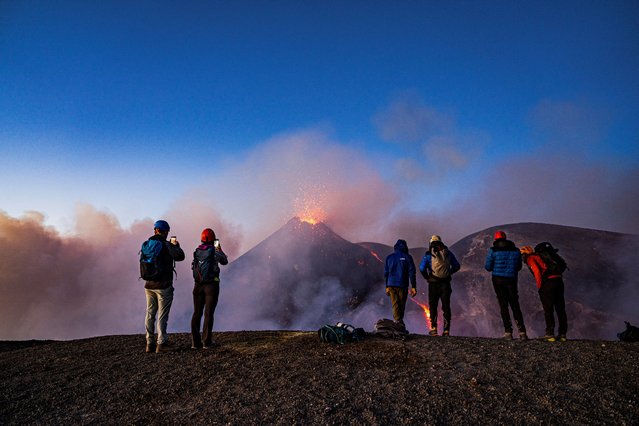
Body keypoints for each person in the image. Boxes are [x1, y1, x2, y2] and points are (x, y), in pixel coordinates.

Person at [142, 220, 185, 353]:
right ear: (165, 231)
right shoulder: (166, 245)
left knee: (150, 313)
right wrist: (176, 246)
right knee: (162, 315)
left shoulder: (146, 244)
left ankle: (149, 343)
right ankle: (162, 343)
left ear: (155, 230)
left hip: (148, 285)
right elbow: (180, 256)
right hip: (163, 286)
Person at [484, 230, 528, 340]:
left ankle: (508, 332)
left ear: (496, 239)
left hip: (498, 280)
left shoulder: (493, 250)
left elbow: (488, 267)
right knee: (515, 305)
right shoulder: (516, 251)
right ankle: (522, 332)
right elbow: (518, 267)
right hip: (512, 280)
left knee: (503, 305)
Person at [520, 244, 568, 342]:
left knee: (548, 309)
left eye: (522, 255)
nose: (522, 257)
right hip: (558, 281)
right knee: (560, 308)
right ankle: (562, 334)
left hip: (548, 284)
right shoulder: (542, 257)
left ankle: (550, 334)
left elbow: (537, 272)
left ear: (525, 254)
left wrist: (540, 286)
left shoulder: (531, 258)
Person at [191, 228, 228, 349]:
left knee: (197, 313)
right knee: (208, 314)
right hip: (211, 286)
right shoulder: (214, 251)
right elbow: (224, 261)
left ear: (202, 239)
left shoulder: (197, 251)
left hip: (197, 285)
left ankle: (195, 343)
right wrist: (219, 249)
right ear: (213, 239)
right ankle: (206, 342)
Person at [419, 235, 461, 336]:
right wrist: (449, 272)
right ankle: (446, 330)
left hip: (433, 284)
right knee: (446, 306)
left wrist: (427, 277)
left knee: (433, 306)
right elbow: (457, 266)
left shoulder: (429, 254)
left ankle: (434, 328)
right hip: (446, 284)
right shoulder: (447, 253)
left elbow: (421, 268)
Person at [384, 239, 417, 326]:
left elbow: (386, 273)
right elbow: (412, 272)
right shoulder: (408, 257)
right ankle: (398, 323)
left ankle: (398, 323)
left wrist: (386, 286)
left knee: (395, 304)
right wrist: (414, 286)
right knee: (401, 305)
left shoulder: (389, 257)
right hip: (402, 285)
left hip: (391, 284)